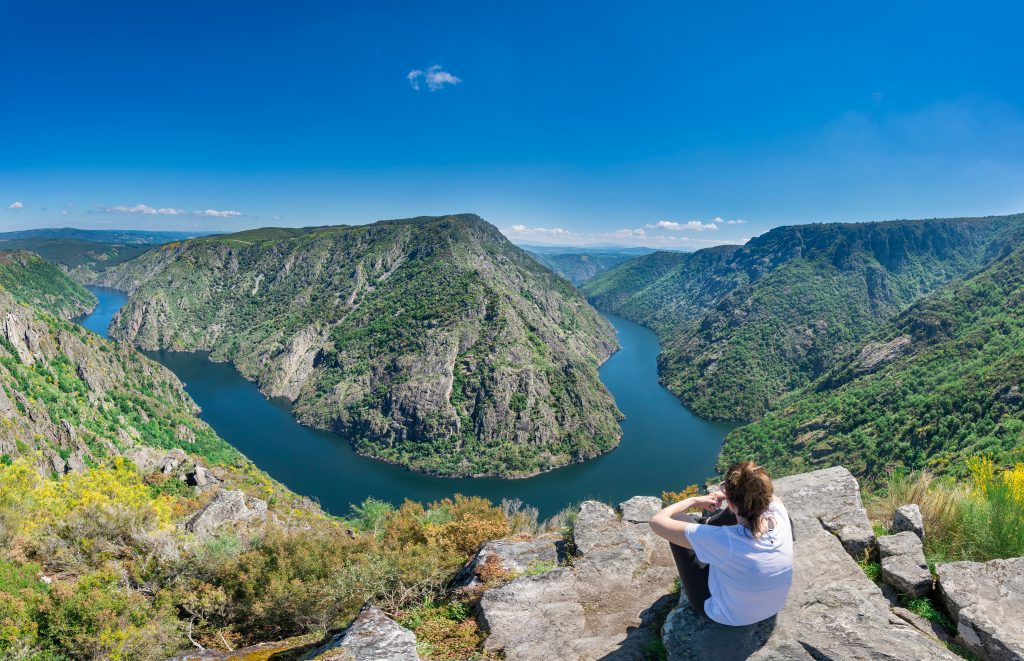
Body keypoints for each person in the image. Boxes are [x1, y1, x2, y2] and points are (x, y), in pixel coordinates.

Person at [649, 461, 794, 627]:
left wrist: (693, 500)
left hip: (728, 615)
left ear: (730, 503)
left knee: (676, 519)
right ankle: (710, 521)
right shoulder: (780, 516)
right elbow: (769, 499)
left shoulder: (724, 540)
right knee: (744, 512)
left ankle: (706, 523)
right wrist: (733, 495)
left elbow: (657, 522)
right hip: (772, 607)